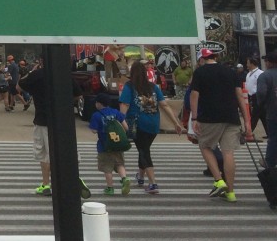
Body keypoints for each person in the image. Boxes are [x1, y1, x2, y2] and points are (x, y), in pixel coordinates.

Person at [17, 60, 91, 198]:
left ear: (41, 62)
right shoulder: (64, 75)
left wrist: (31, 71)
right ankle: (74, 177)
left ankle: (46, 184)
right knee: (66, 149)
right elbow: (78, 95)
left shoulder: (36, 75)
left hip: (43, 119)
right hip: (63, 120)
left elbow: (18, 87)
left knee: (45, 153)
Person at [118, 60, 183, 194]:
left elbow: (124, 105)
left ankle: (153, 183)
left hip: (137, 124)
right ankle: (141, 177)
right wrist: (176, 123)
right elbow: (164, 105)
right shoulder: (153, 87)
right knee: (144, 148)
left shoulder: (129, 86)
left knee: (143, 151)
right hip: (153, 124)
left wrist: (120, 121)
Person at [189, 48, 245, 202]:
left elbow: (194, 95)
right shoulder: (231, 72)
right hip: (232, 116)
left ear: (202, 59)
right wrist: (246, 119)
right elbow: (239, 95)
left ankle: (219, 180)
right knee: (228, 153)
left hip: (209, 117)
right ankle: (231, 193)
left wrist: (194, 118)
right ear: (215, 57)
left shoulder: (200, 73)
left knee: (205, 146)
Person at [89, 93, 131, 195]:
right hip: (118, 144)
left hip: (104, 146)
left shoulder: (96, 115)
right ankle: (124, 179)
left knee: (107, 168)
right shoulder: (116, 112)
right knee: (119, 164)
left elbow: (94, 130)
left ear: (99, 104)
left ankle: (110, 188)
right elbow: (126, 127)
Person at [256, 50, 277, 168]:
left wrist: (261, 104)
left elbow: (261, 93)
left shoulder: (265, 76)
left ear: (269, 62)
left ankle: (270, 162)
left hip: (273, 111)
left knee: (273, 137)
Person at [245, 56, 265, 136]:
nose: (246, 65)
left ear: (252, 64)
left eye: (248, 63)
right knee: (262, 115)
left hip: (258, 96)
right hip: (250, 96)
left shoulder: (260, 73)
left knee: (255, 115)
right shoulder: (248, 74)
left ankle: (249, 131)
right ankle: (269, 132)